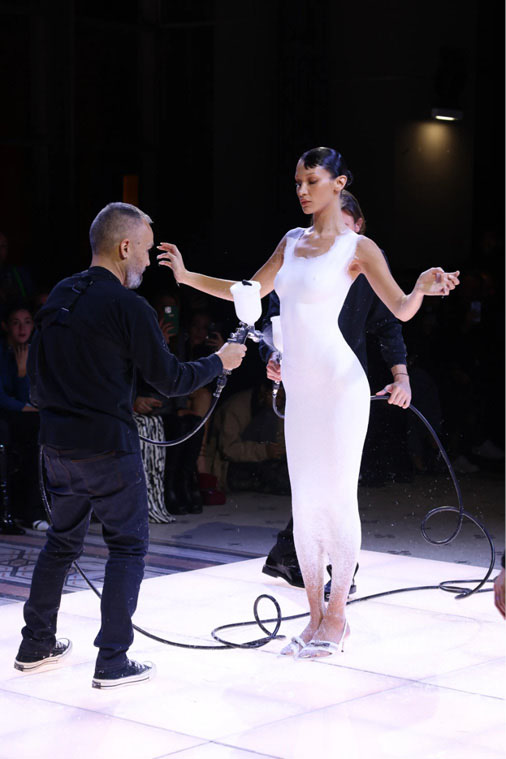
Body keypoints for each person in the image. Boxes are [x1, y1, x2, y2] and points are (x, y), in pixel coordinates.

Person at [157, 146, 459, 659]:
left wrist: (422, 288)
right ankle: (314, 616)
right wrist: (187, 277)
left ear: (339, 184)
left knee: (337, 499)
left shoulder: (358, 248)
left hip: (341, 387)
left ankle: (338, 617)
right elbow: (248, 291)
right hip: (300, 388)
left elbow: (401, 310)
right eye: (297, 181)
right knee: (305, 502)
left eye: (312, 181)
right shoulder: (291, 241)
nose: (301, 190)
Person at [14, 202, 246, 688]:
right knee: (127, 546)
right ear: (124, 247)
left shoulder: (61, 294)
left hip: (56, 448)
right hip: (107, 450)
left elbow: (35, 376)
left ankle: (36, 645)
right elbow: (171, 379)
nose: (145, 260)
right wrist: (219, 362)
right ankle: (113, 660)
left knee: (61, 542)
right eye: (144, 249)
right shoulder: (128, 306)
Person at [259, 190, 411, 592]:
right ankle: (292, 554)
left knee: (337, 481)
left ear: (358, 227)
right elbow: (274, 315)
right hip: (303, 379)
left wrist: (401, 376)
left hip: (343, 382)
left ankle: (339, 577)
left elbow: (392, 319)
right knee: (311, 479)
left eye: (340, 225)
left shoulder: (362, 257)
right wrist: (272, 355)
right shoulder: (299, 251)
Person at [0, 304, 46, 531]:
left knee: (41, 431)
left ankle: (36, 511)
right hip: (7, 416)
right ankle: (26, 511)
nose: (22, 328)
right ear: (5, 326)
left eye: (27, 322)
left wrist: (22, 372)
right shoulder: (2, 352)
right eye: (16, 323)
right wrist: (19, 373)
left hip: (23, 417)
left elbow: (30, 395)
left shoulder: (32, 350)